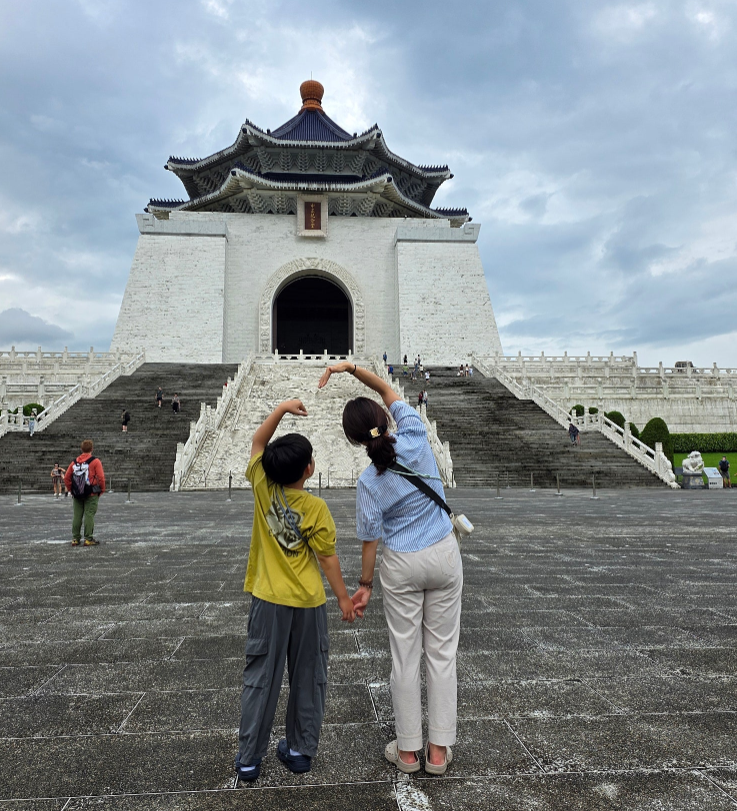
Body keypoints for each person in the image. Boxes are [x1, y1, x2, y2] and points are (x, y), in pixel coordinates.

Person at [318, 362, 462, 776]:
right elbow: (386, 388)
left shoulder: (368, 481)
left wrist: (364, 586)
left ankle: (408, 753)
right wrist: (350, 368)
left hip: (400, 564)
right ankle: (438, 753)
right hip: (443, 552)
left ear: (353, 440)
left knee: (405, 657)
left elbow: (370, 540)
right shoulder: (415, 434)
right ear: (386, 419)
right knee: (442, 654)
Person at [236, 399, 355, 783]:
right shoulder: (316, 508)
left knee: (261, 676)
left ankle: (250, 758)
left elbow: (257, 441)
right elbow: (328, 559)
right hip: (308, 603)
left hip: (267, 600)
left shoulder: (262, 486)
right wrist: (343, 598)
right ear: (308, 469)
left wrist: (283, 409)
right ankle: (301, 750)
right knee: (308, 676)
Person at [64, 439, 105, 546]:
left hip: (77, 493)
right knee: (89, 514)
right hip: (91, 492)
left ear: (81, 449)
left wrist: (71, 490)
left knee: (77, 515)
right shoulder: (95, 461)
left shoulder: (74, 462)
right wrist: (102, 489)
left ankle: (75, 538)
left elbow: (67, 477)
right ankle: (88, 538)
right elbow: (101, 477)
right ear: (92, 449)